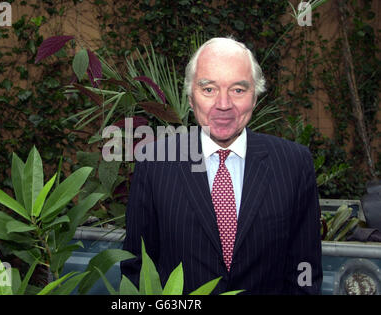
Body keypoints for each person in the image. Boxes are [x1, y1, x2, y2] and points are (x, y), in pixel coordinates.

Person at [120, 36, 323, 294]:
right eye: (209, 89)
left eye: (238, 90)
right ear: (191, 97)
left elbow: (305, 269)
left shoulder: (294, 164)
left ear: (255, 97)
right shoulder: (155, 162)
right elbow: (136, 267)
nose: (223, 105)